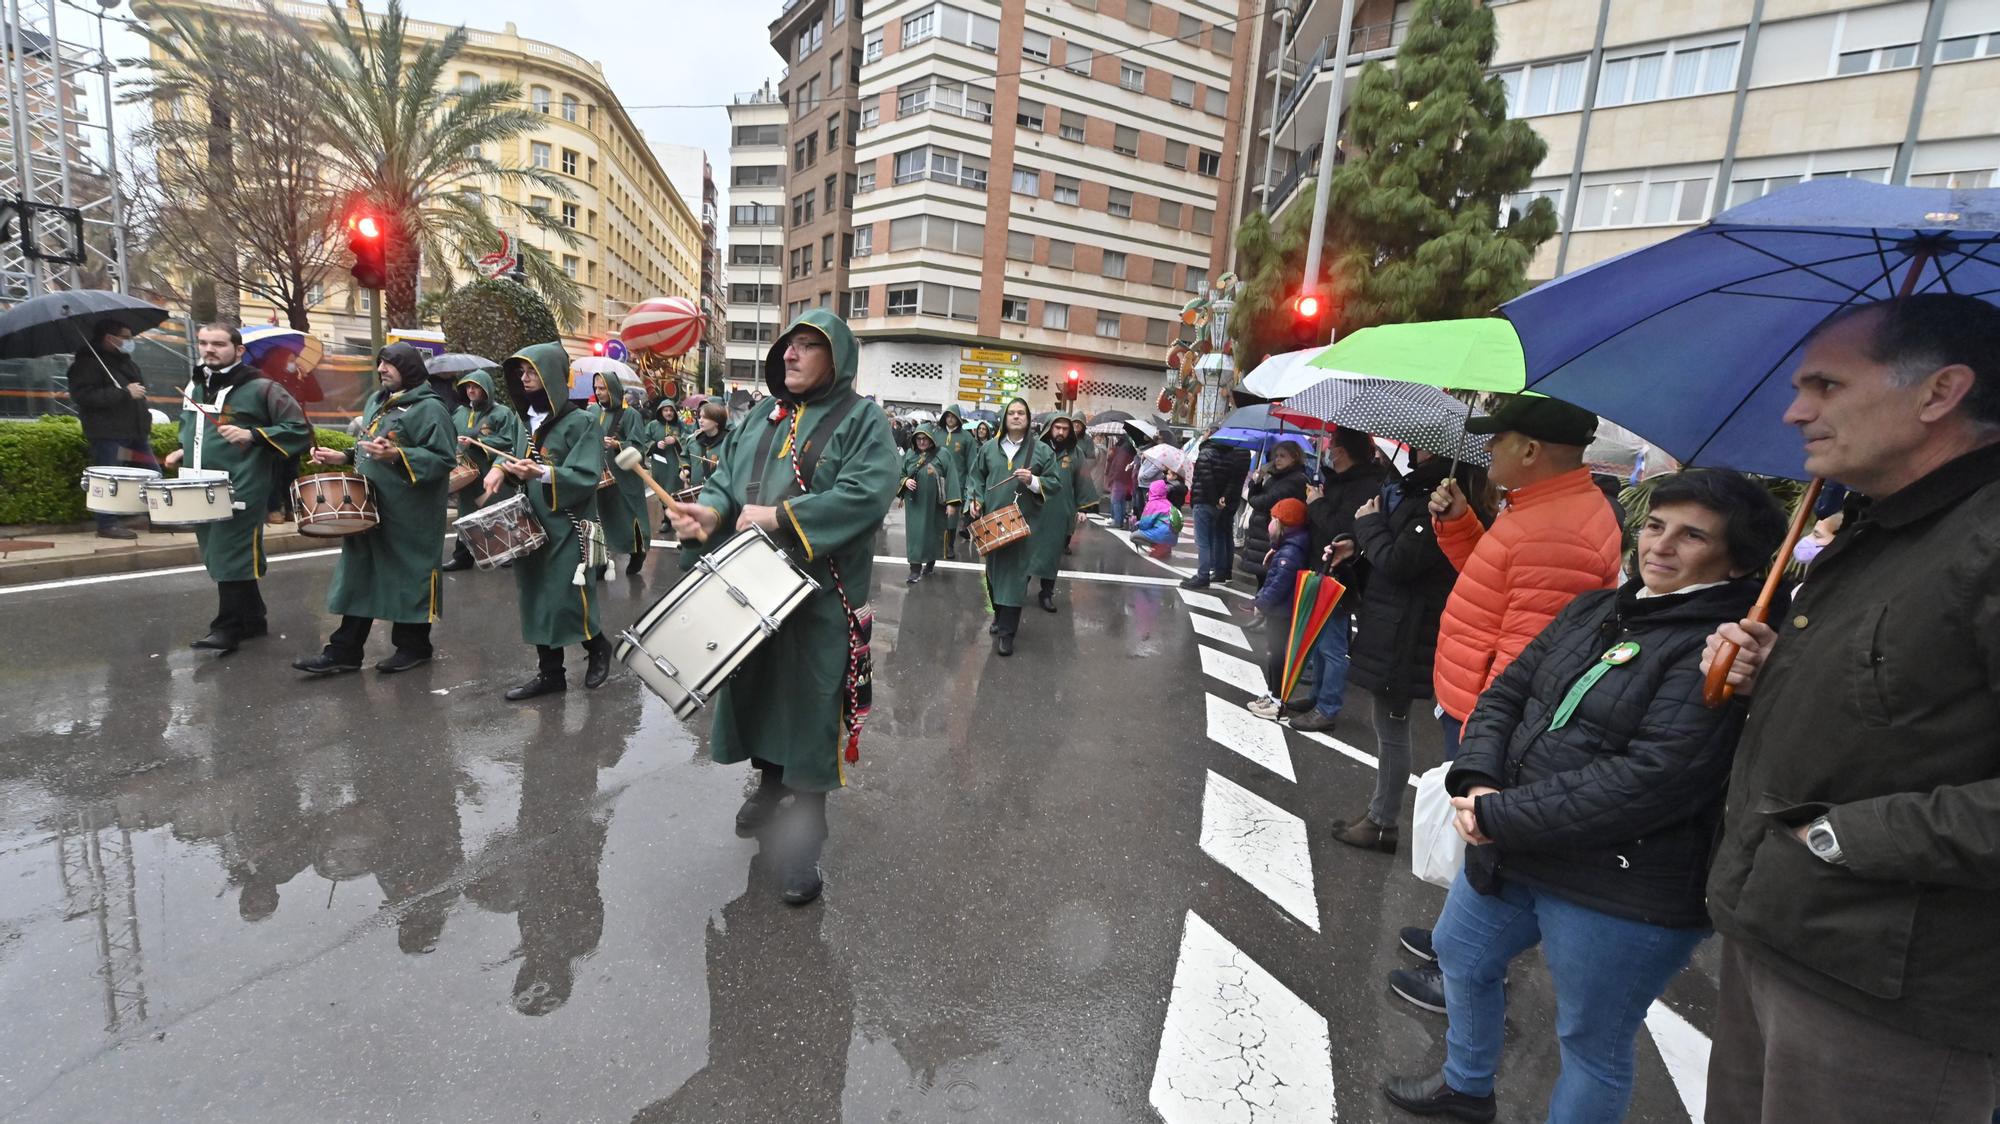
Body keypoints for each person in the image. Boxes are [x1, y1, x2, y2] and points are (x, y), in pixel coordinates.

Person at [1384, 469, 1786, 1123]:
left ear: (1738, 560)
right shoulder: (1596, 609)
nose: (1660, 546)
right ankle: (1466, 1085)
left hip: (1623, 884)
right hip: (1516, 845)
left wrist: (1498, 814)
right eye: (1655, 526)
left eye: (1692, 536)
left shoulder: (1723, 654)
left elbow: (1655, 778)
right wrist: (1477, 780)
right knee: (1461, 955)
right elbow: (1508, 694)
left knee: (1591, 1043)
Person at [1698, 296, 2000, 1124]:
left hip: (1886, 989)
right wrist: (1778, 672)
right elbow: (1903, 700)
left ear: (1940, 392)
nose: (1797, 411)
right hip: (1780, 928)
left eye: (1826, 385)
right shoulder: (1879, 532)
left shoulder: (1985, 538)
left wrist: (1841, 838)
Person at [1392, 395, 1623, 1014]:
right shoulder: (1541, 511)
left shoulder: (1560, 530)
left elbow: (1530, 659)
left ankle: (1463, 973)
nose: (1488, 450)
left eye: (1499, 440)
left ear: (1530, 450)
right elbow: (1493, 583)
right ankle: (1452, 943)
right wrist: (1462, 524)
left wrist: (1486, 741)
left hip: (1487, 717)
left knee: (1487, 842)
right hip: (1472, 702)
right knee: (1475, 840)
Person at [661, 309, 898, 905]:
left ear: (837, 358)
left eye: (808, 346)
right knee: (758, 688)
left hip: (820, 597)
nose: (790, 355)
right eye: (788, 345)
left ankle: (805, 837)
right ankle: (768, 786)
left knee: (812, 706)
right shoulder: (759, 420)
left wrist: (783, 517)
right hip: (751, 588)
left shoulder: (862, 419)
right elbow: (725, 483)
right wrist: (706, 513)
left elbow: (867, 493)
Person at [1333, 452, 1485, 854]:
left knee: (1393, 729)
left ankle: (1383, 822)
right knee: (1387, 726)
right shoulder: (1414, 491)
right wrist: (1359, 542)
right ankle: (1379, 817)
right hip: (1393, 624)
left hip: (1408, 630)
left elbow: (1401, 563)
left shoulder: (1436, 501)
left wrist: (1367, 524)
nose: (1411, 449)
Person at [293, 343, 455, 675]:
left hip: (410, 512)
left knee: (408, 576)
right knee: (359, 574)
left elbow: (443, 459)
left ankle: (414, 646)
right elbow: (369, 444)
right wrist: (343, 456)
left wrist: (398, 456)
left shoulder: (430, 409)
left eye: (390, 364)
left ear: (409, 369)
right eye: (380, 363)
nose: (382, 369)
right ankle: (344, 650)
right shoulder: (376, 402)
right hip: (368, 506)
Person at [164, 323, 312, 653]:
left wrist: (253, 435)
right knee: (218, 550)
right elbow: (192, 428)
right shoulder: (194, 383)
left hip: (242, 484)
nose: (208, 349)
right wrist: (182, 449)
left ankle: (227, 627)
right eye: (203, 343)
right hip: (197, 482)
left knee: (230, 550)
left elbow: (299, 431)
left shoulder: (262, 388)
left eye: (218, 343)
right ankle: (253, 618)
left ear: (239, 349)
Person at [488, 343, 613, 699]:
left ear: (553, 378)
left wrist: (542, 472)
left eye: (531, 371)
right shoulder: (522, 419)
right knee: (536, 596)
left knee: (567, 595)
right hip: (529, 523)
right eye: (521, 373)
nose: (524, 378)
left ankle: (597, 647)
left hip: (568, 524)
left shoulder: (583, 422)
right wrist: (500, 471)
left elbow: (586, 474)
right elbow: (513, 457)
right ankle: (550, 673)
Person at [1289, 429, 1388, 733]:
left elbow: (1342, 530)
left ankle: (1327, 707)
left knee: (1331, 644)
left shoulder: (1364, 486)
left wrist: (1317, 503)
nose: (1329, 451)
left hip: (1341, 574)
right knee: (1320, 640)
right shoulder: (1345, 481)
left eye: (1333, 446)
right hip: (1324, 569)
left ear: (1344, 451)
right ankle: (1318, 696)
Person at [963, 397, 1059, 656]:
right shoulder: (989, 449)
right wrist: (974, 502)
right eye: (1012, 413)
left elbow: (1054, 482)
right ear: (1005, 419)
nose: (1016, 417)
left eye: (1021, 413)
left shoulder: (1041, 451)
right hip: (992, 524)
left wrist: (1033, 481)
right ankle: (998, 614)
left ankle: (1007, 633)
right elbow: (975, 479)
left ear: (1028, 419)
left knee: (1015, 578)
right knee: (994, 575)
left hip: (1023, 524)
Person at [67, 319, 157, 539]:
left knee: (151, 472)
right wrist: (124, 393)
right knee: (109, 476)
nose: (129, 341)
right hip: (109, 435)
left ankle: (160, 518)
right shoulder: (87, 364)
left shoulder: (124, 362)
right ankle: (106, 524)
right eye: (125, 337)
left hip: (133, 433)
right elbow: (84, 397)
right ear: (109, 337)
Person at [1244, 498, 1326, 720]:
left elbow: (1279, 584)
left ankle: (1278, 701)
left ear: (1283, 523)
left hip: (1282, 612)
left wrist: (1261, 604)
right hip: (1281, 611)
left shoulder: (1290, 551)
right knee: (1274, 653)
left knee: (1277, 655)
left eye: (1273, 519)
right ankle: (1272, 695)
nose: (1270, 523)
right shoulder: (1289, 545)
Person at [441, 369, 524, 573]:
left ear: (486, 389)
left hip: (493, 474)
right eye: (468, 387)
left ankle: (507, 552)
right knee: (465, 514)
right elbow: (449, 436)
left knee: (498, 511)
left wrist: (478, 442)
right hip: (468, 475)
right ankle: (462, 557)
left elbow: (509, 441)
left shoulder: (502, 413)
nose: (471, 390)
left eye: (476, 387)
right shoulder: (459, 413)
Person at [1026, 413, 1097, 613]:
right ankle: (1020, 587)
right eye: (1057, 427)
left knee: (1052, 555)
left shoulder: (1075, 453)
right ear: (1050, 427)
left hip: (1060, 511)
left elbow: (1082, 481)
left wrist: (1082, 507)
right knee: (1028, 551)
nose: (1061, 432)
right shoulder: (1034, 449)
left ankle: (1046, 593)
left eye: (1065, 429)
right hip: (1035, 509)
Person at [590, 368, 650, 576]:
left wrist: (617, 444)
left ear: (613, 390)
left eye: (603, 388)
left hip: (624, 475)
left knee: (629, 515)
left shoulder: (630, 414)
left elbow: (639, 447)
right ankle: (601, 561)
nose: (598, 392)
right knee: (602, 517)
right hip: (600, 474)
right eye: (596, 388)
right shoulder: (592, 412)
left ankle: (637, 552)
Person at [1180, 429, 1252, 589]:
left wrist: (1216, 500)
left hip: (1207, 500)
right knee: (1221, 534)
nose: (1203, 434)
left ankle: (1205, 574)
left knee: (1206, 540)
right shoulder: (1232, 453)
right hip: (1224, 499)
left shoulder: (1208, 453)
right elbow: (1231, 480)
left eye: (1206, 431)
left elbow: (1206, 479)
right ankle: (1221, 570)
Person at [1237, 439, 1312, 584]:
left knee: (1270, 575)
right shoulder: (1277, 477)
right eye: (1276, 456)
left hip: (1275, 534)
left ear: (1295, 457)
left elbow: (1261, 502)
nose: (1277, 459)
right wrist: (1258, 482)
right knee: (1263, 575)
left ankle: (1262, 605)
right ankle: (1258, 602)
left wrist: (1255, 487)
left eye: (1283, 456)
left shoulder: (1294, 480)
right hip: (1264, 533)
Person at [899, 424, 958, 582]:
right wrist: (905, 482)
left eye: (925, 438)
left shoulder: (943, 454)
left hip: (936, 504)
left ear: (931, 439)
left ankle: (930, 563)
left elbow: (952, 476)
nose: (921, 442)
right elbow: (900, 472)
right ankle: (915, 569)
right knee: (915, 535)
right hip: (915, 503)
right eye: (918, 439)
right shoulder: (910, 454)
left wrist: (951, 503)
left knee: (933, 533)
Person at [937, 404, 976, 560]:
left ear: (958, 419)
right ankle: (937, 545)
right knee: (936, 516)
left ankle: (950, 546)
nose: (950, 419)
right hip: (937, 482)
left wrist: (969, 485)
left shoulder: (967, 438)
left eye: (953, 416)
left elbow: (972, 465)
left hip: (957, 484)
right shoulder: (937, 434)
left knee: (952, 517)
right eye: (948, 416)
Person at [1104, 433, 1138, 530]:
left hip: (1119, 478)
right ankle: (1120, 520)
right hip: (1125, 479)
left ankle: (1117, 521)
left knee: (1116, 500)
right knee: (1120, 500)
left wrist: (1112, 478)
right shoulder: (1128, 448)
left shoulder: (1122, 450)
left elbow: (1118, 465)